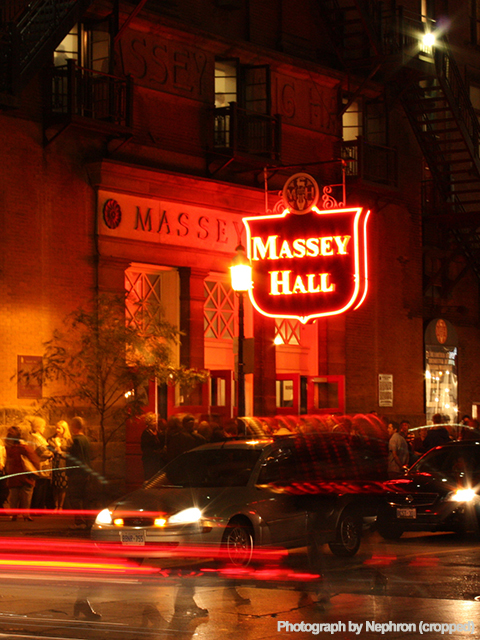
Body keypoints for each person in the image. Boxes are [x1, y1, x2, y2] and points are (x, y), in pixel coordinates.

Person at [5, 426, 40, 520]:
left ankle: (14, 515)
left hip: (14, 475)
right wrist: (36, 470)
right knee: (27, 495)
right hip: (26, 475)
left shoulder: (10, 449)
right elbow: (34, 459)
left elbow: (8, 462)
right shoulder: (25, 448)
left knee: (14, 496)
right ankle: (26, 514)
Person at [66, 416, 93, 527]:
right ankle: (88, 520)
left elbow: (76, 457)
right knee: (85, 497)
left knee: (75, 497)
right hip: (86, 472)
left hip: (76, 473)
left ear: (74, 426)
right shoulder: (86, 439)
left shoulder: (75, 440)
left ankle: (79, 519)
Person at [28, 416, 54, 510]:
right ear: (38, 427)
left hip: (44, 467)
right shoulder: (36, 438)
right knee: (39, 489)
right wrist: (51, 454)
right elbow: (42, 451)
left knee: (42, 489)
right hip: (41, 467)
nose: (44, 428)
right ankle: (37, 509)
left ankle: (39, 507)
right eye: (43, 426)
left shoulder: (38, 438)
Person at [48, 420, 73, 510]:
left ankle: (61, 506)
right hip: (54, 464)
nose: (57, 430)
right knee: (54, 485)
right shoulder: (51, 439)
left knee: (62, 486)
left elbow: (71, 453)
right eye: (56, 427)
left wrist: (61, 452)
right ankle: (55, 505)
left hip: (63, 464)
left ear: (64, 429)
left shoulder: (68, 440)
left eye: (59, 428)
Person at [140, 413, 165, 480]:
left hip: (157, 460)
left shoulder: (157, 432)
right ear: (149, 422)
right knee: (150, 477)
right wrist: (155, 452)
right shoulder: (146, 433)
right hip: (150, 460)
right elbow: (145, 448)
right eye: (154, 421)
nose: (156, 422)